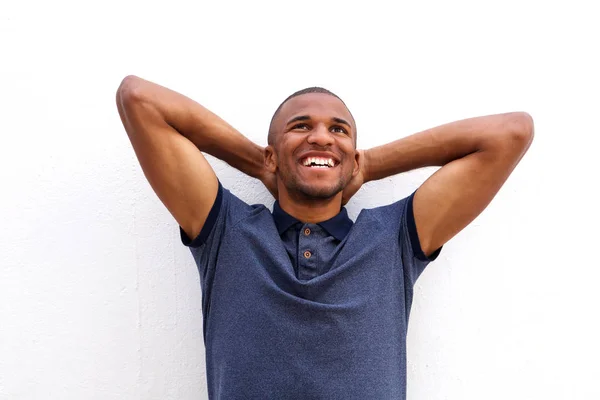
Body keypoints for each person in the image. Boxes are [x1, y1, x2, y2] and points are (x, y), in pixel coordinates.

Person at [116, 75, 534, 400]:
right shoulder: (226, 230)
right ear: (272, 152)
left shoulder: (394, 240)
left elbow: (510, 133)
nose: (320, 137)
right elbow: (138, 98)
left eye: (338, 130)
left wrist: (365, 165)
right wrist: (264, 164)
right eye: (301, 127)